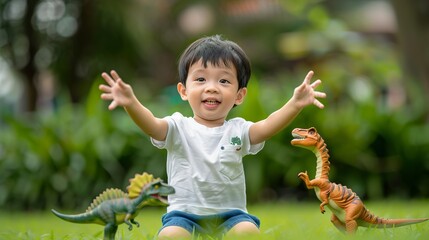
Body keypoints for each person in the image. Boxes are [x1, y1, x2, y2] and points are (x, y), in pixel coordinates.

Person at [99, 35, 326, 239]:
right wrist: (131, 103)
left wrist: (294, 104)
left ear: (239, 95)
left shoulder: (238, 130)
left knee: (248, 233)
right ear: (183, 91)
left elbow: (267, 126)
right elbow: (152, 126)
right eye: (200, 79)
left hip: (231, 215)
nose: (212, 88)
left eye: (224, 81)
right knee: (171, 236)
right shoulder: (178, 127)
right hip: (183, 215)